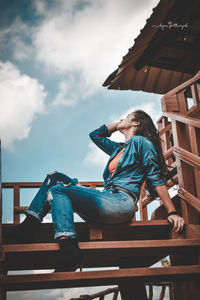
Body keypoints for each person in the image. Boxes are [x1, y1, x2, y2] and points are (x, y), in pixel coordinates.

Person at [7, 110, 185, 272]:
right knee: (54, 177)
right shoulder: (118, 149)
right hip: (106, 199)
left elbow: (155, 178)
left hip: (121, 203)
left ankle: (69, 251)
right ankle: (28, 228)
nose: (121, 118)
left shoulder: (141, 143)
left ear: (136, 123)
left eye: (126, 117)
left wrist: (173, 211)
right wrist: (119, 124)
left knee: (58, 191)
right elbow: (95, 135)